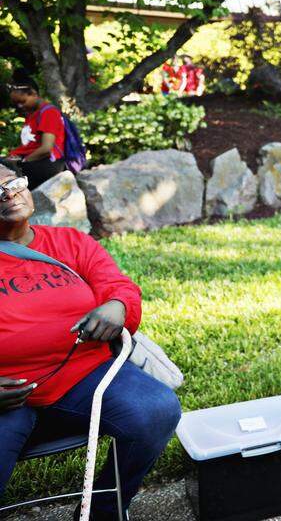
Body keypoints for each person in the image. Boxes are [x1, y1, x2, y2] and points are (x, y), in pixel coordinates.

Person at [0, 165, 181, 521]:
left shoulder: (70, 243)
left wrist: (116, 307)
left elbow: (120, 288)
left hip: (85, 380)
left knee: (157, 409)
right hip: (9, 399)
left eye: (13, 183)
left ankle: (105, 511)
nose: (9, 194)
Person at [4, 81, 66, 190]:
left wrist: (23, 161)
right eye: (16, 103)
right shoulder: (32, 114)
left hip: (46, 164)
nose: (20, 106)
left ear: (33, 94)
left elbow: (46, 148)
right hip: (31, 161)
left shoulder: (49, 112)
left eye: (22, 101)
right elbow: (30, 146)